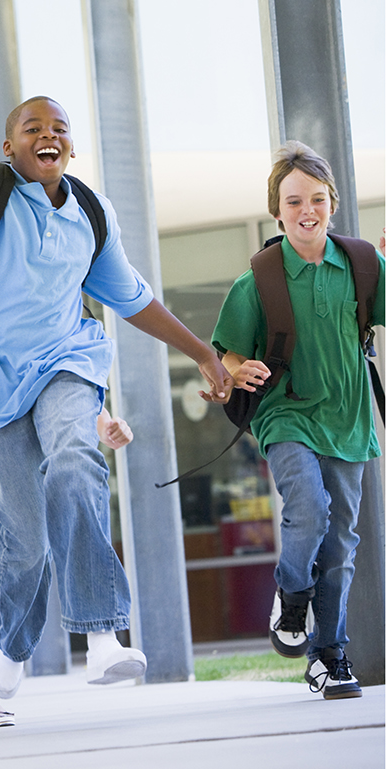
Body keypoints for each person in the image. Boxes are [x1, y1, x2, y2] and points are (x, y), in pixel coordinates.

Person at [0, 69, 234, 707]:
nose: (47, 136)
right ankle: (8, 652)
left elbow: (134, 300)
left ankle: (104, 632)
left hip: (65, 360)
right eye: (33, 129)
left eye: (59, 130)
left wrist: (202, 355)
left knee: (76, 462)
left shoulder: (91, 213)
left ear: (71, 148)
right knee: (24, 540)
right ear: (9, 147)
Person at [212, 142, 383, 700]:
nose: (306, 209)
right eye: (293, 201)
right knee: (307, 508)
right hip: (286, 414)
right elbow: (227, 353)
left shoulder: (362, 265)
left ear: (332, 201)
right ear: (276, 209)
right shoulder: (258, 279)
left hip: (349, 417)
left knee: (340, 542)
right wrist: (239, 369)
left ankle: (329, 654)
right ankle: (291, 596)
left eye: (316, 198)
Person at [0, 342, 133, 728]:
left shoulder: (42, 320)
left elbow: (66, 387)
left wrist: (104, 425)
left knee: (29, 561)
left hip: (33, 483)